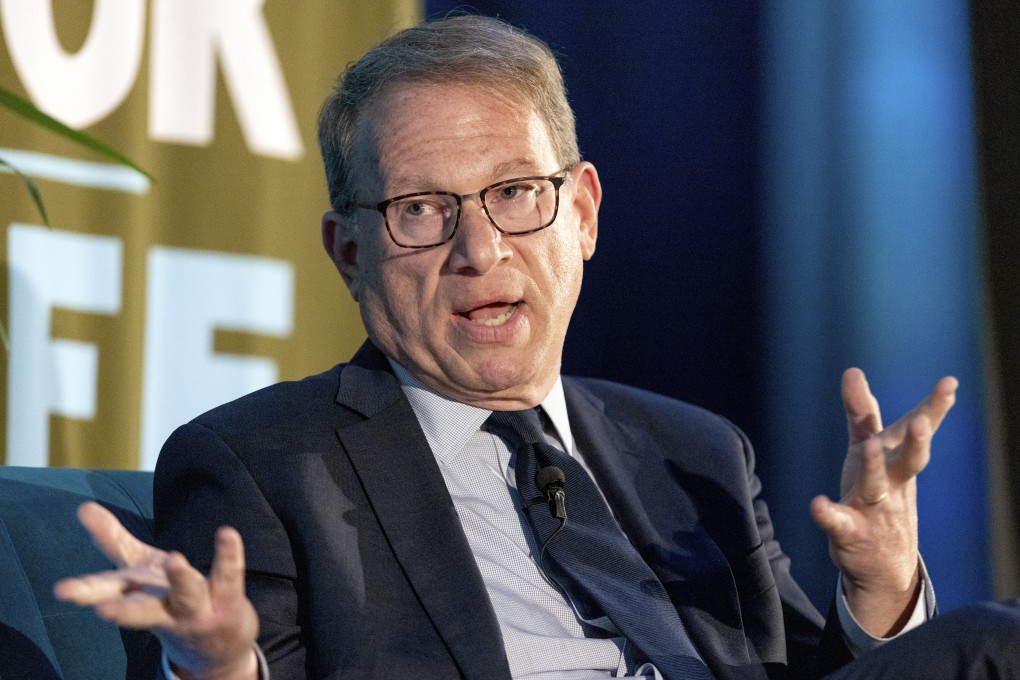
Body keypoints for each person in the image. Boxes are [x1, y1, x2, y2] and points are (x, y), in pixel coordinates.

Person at [54, 14, 1017, 680]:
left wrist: (883, 591)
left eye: (517, 193)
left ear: (584, 213)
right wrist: (220, 665)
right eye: (421, 210)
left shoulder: (694, 452)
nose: (480, 250)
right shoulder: (260, 462)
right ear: (349, 251)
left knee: (982, 645)